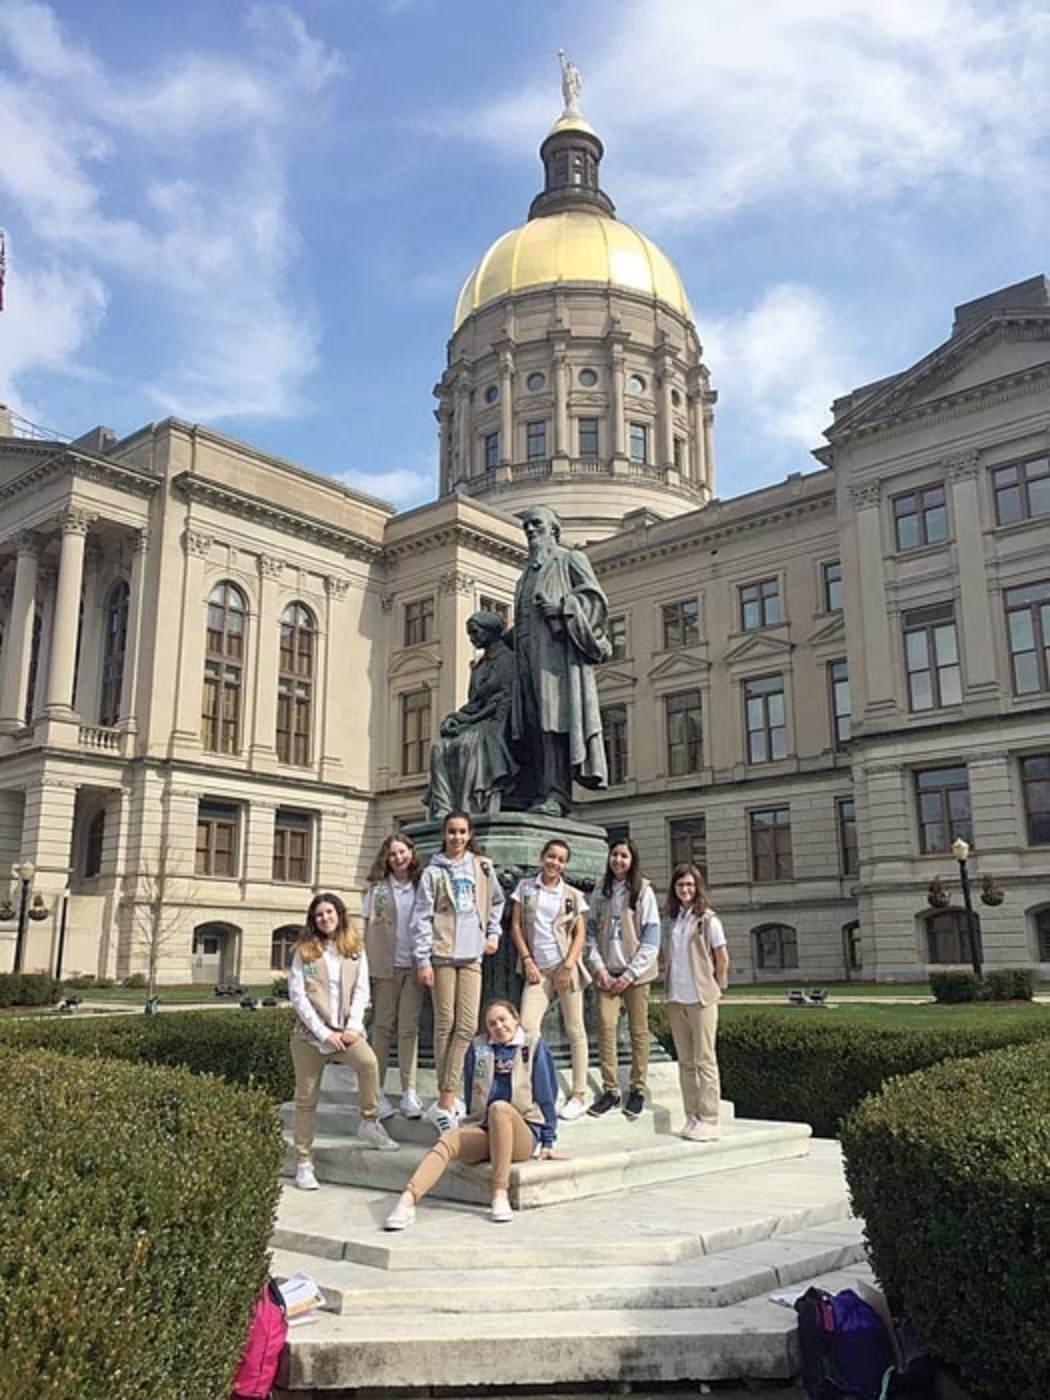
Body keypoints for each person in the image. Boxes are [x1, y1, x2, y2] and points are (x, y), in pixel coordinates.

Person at [383, 998, 560, 1229]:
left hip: (522, 1131)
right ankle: (407, 1201)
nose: (498, 1027)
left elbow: (547, 1095)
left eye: (503, 1020)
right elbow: (470, 1091)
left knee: (500, 1108)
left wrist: (548, 1140)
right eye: (492, 1023)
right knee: (449, 1139)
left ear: (516, 1019)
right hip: (485, 1127)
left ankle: (499, 1194)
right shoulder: (479, 1048)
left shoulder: (533, 1045)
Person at [288, 892, 399, 1189]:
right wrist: (324, 1033)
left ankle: (369, 1121)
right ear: (313, 920)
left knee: (368, 1064)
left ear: (339, 915)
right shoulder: (304, 951)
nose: (325, 918)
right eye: (319, 914)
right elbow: (298, 997)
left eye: (330, 912)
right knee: (306, 1100)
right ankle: (304, 1162)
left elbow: (361, 990)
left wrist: (352, 1027)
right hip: (310, 1037)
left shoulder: (354, 949)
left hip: (347, 1032)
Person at [511, 506, 611, 817]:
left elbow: (596, 602)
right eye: (526, 525)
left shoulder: (570, 559)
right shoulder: (525, 576)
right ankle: (535, 789)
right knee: (531, 726)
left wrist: (563, 609)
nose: (529, 530)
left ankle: (555, 793)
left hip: (556, 658)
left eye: (536, 524)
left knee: (553, 725)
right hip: (526, 656)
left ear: (554, 529)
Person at [412, 810, 505, 1131]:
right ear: (444, 834)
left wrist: (493, 934)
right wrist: (423, 960)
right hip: (441, 955)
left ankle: (446, 1094)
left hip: (471, 955)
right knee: (444, 1025)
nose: (457, 837)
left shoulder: (482, 866)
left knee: (466, 1025)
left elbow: (496, 901)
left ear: (469, 835)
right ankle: (447, 1097)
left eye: (462, 832)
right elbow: (421, 917)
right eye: (452, 832)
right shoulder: (432, 873)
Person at [509, 837, 590, 1121]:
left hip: (565, 967)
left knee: (575, 1028)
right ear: (543, 857)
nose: (554, 863)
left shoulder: (572, 895)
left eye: (560, 859)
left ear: (565, 865)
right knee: (528, 1028)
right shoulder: (526, 888)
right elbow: (516, 926)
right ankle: (540, 1085)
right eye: (551, 857)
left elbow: (580, 933)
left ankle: (579, 1093)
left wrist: (568, 965)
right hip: (537, 969)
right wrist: (527, 960)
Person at [585, 837, 661, 1120]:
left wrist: (629, 975)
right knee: (606, 1028)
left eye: (624, 856)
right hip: (607, 974)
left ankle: (638, 1088)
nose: (618, 860)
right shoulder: (600, 892)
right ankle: (611, 1089)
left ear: (632, 861)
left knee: (638, 1031)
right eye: (614, 855)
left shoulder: (642, 891)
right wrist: (600, 969)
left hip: (635, 976)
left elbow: (651, 939)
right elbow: (590, 933)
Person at [424, 611, 518, 819]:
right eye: (469, 634)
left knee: (469, 743)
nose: (472, 638)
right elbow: (474, 703)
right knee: (440, 747)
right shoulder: (480, 666)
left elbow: (504, 700)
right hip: (479, 718)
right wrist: (454, 718)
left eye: (475, 632)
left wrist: (470, 720)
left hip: (500, 721)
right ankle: (444, 807)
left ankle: (469, 807)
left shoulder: (508, 660)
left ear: (491, 631)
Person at [664, 864, 729, 1142]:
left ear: (698, 887)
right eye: (681, 885)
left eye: (690, 885)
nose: (685, 890)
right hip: (677, 997)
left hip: (701, 997)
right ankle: (692, 1115)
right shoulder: (675, 920)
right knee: (685, 1062)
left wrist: (717, 985)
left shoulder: (708, 920)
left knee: (705, 1059)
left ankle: (710, 1117)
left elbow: (722, 957)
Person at [363, 834, 425, 1121]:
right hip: (384, 966)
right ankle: (375, 1091)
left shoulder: (421, 885)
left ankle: (408, 1090)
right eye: (392, 854)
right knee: (383, 1027)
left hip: (413, 965)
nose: (398, 858)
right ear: (386, 859)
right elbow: (367, 928)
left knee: (408, 1028)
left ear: (411, 853)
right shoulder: (378, 890)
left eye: (402, 852)